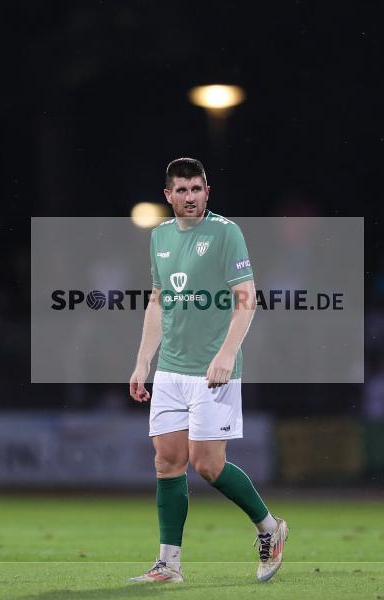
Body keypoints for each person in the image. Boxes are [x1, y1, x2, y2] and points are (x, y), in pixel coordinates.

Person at [128, 158, 288, 584]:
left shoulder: (225, 233)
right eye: (181, 190)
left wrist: (226, 354)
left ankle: (269, 528)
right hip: (170, 371)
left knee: (208, 465)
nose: (190, 197)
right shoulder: (160, 237)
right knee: (167, 462)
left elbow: (246, 298)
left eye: (196, 189)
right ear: (168, 195)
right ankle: (169, 565)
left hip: (214, 370)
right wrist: (144, 361)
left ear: (207, 191)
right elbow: (158, 302)